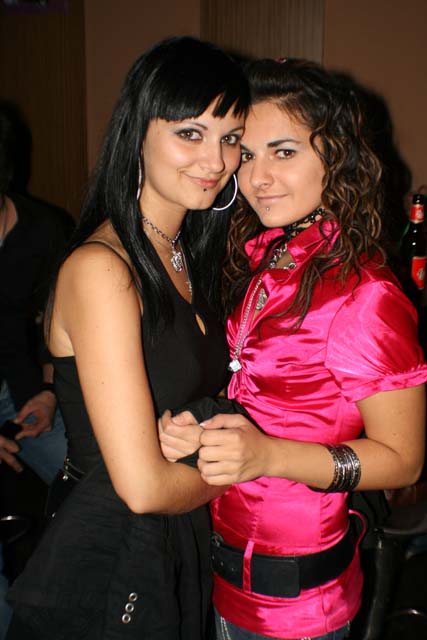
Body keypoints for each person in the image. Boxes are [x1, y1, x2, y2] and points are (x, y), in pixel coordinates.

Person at [159, 58, 427, 640]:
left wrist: (269, 457)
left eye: (284, 152)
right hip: (224, 565)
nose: (258, 178)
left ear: (335, 156)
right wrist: (201, 431)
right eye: (246, 154)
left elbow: (404, 460)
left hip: (296, 604)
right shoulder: (270, 254)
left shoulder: (364, 293)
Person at [5, 36, 249, 640]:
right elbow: (141, 488)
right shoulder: (102, 269)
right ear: (138, 133)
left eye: (231, 138)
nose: (216, 160)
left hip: (174, 536)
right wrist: (253, 464)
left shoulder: (187, 251)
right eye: (190, 133)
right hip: (111, 554)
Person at [0, 101, 70, 640]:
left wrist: (48, 392)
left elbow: (58, 322)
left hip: (21, 385)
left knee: (95, 482)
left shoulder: (45, 229)